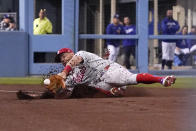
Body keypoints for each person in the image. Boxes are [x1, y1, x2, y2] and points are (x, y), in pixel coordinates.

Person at [54, 48, 176, 97]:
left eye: (64, 56)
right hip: (101, 83)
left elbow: (73, 62)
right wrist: (55, 89)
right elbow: (66, 93)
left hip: (109, 70)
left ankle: (162, 79)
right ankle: (115, 91)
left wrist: (63, 73)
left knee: (129, 79)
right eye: (61, 59)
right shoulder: (71, 77)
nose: (63, 60)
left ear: (71, 53)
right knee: (88, 89)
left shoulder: (80, 54)